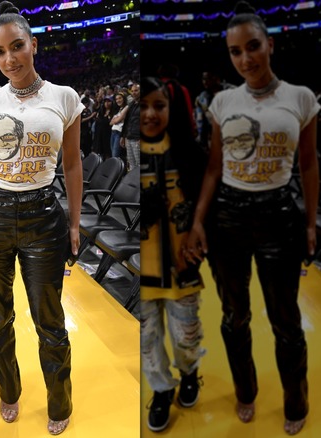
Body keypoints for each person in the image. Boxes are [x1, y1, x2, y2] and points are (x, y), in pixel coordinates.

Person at [0, 1, 83, 435]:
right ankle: (10, 391)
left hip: (45, 216)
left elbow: (74, 166)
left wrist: (76, 224)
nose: (9, 59)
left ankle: (59, 402)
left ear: (33, 45)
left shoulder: (64, 97)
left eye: (17, 47)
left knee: (50, 321)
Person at [184, 2, 319, 435]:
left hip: (280, 214)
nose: (246, 58)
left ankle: (295, 399)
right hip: (229, 218)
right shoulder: (223, 101)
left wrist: (312, 224)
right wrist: (199, 220)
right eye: (236, 51)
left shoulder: (300, 97)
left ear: (270, 45)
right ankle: (246, 392)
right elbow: (214, 167)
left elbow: (310, 165)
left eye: (253, 47)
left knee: (286, 322)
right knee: (233, 316)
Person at [139, 76, 207, 433]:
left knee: (186, 335)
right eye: (143, 106)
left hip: (182, 265)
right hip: (143, 268)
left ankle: (190, 371)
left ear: (170, 108)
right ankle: (162, 389)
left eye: (159, 106)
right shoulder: (129, 150)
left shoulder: (188, 151)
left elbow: (206, 205)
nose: (150, 114)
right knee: (148, 342)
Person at [120, 82, 141, 170]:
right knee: (131, 164)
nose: (134, 93)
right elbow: (127, 122)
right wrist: (123, 136)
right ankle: (133, 183)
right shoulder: (131, 104)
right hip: (129, 137)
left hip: (137, 139)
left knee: (139, 164)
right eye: (132, 91)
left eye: (136, 90)